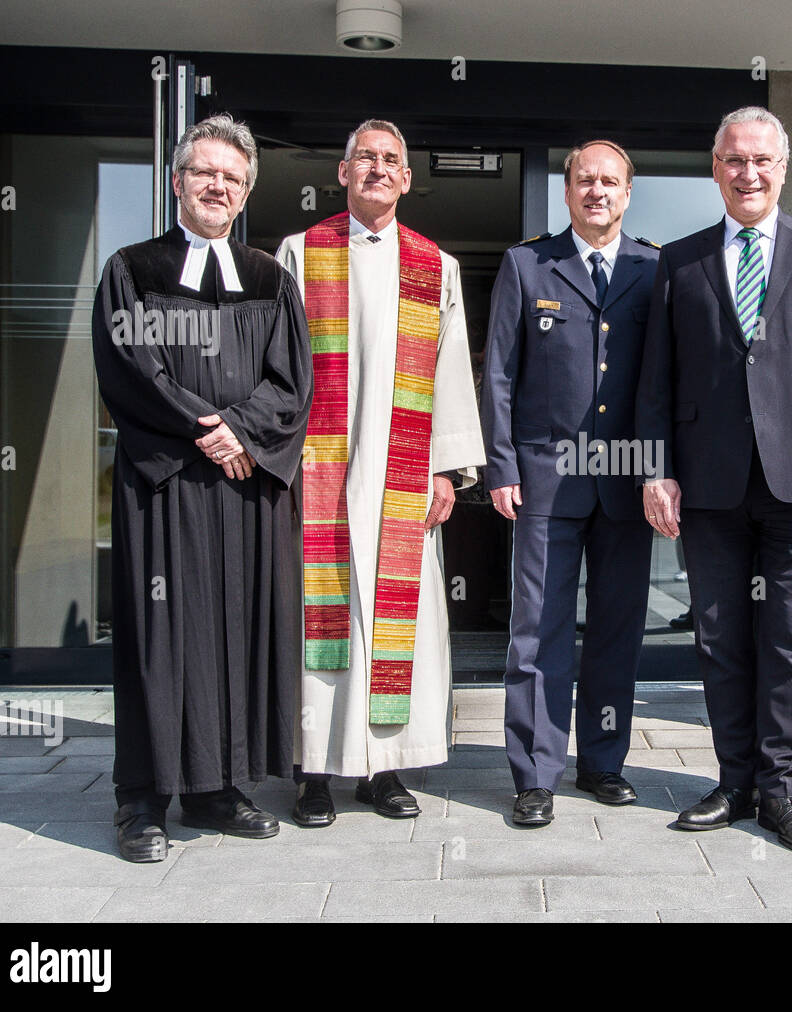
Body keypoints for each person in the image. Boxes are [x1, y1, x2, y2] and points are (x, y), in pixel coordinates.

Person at [636, 107, 792, 855]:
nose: (749, 173)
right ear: (716, 168)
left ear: (784, 167)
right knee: (721, 639)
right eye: (735, 160)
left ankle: (781, 791)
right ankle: (734, 782)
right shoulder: (680, 260)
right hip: (707, 483)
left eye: (762, 161)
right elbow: (656, 381)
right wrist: (656, 469)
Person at [92, 114, 313, 862]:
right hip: (167, 488)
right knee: (162, 641)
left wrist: (241, 433)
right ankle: (143, 800)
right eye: (204, 172)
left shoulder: (269, 280)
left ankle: (218, 787)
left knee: (233, 634)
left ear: (245, 190)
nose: (217, 185)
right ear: (179, 180)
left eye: (232, 176)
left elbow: (292, 383)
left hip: (244, 489)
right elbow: (130, 369)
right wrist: (204, 430)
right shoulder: (132, 270)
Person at [276, 119, 485, 827]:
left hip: (401, 476)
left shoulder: (436, 265)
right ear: (342, 172)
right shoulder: (302, 254)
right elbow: (279, 365)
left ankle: (385, 769)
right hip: (322, 468)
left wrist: (446, 471)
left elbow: (452, 370)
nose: (377, 169)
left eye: (390, 161)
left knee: (401, 623)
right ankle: (312, 771)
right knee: (320, 618)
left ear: (405, 178)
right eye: (365, 157)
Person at [481, 140, 659, 826]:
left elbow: (665, 380)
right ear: (567, 191)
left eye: (610, 181)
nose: (598, 192)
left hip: (625, 481)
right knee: (538, 630)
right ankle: (534, 773)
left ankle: (604, 762)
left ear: (627, 191)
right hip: (544, 480)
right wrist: (499, 465)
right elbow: (498, 371)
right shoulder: (529, 264)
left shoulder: (653, 266)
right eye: (586, 180)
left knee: (618, 627)